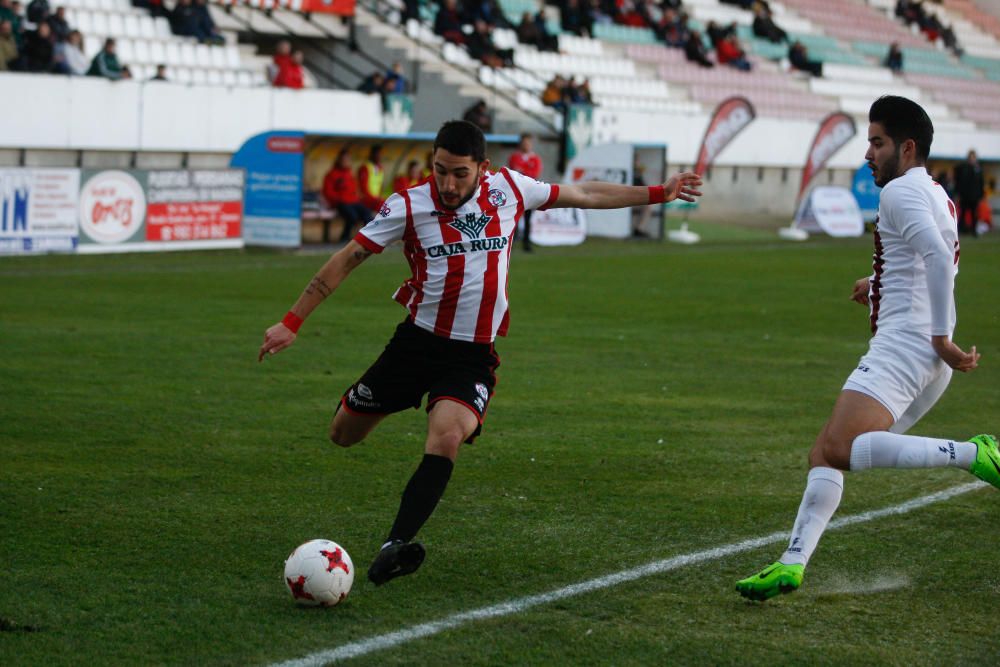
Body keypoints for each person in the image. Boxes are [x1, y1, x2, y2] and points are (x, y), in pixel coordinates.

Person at [258, 120, 703, 586]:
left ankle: (395, 545)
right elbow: (348, 257)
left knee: (446, 437)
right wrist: (292, 322)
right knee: (343, 434)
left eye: (460, 174)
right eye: (440, 171)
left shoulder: (509, 188)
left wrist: (658, 192)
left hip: (471, 355)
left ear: (482, 169)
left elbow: (585, 194)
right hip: (415, 346)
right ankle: (363, 402)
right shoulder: (409, 205)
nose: (448, 184)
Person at [736, 95, 996, 602]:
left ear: (907, 147)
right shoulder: (933, 192)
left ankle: (971, 453)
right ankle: (791, 563)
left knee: (838, 448)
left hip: (907, 348)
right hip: (920, 353)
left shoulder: (898, 193)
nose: (867, 153)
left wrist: (941, 339)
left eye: (877, 142)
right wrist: (876, 283)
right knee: (827, 453)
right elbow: (928, 262)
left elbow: (939, 259)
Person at [321, 149, 373, 243]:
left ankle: (368, 238)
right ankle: (344, 238)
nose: (347, 161)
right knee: (352, 216)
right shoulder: (332, 174)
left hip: (353, 201)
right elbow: (328, 192)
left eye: (348, 159)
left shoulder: (349, 173)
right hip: (341, 203)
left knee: (367, 213)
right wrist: (338, 199)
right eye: (344, 159)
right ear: (339, 160)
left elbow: (353, 190)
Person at [507, 133, 543, 251]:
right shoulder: (514, 157)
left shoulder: (535, 158)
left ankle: (526, 243)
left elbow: (535, 173)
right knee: (512, 216)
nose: (526, 145)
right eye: (524, 143)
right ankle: (510, 241)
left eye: (528, 143)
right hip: (515, 191)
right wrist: (525, 172)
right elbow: (513, 172)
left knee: (528, 218)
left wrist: (522, 171)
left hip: (529, 192)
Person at [953, 149, 983, 236]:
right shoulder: (964, 168)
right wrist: (959, 193)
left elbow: (981, 182)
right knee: (963, 213)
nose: (972, 159)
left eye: (973, 157)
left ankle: (974, 231)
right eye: (971, 157)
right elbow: (959, 182)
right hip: (965, 196)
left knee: (974, 214)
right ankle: (961, 230)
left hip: (975, 196)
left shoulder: (978, 169)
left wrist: (980, 195)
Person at [357, 144, 385, 213]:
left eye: (380, 154)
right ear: (372, 154)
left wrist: (379, 197)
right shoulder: (365, 168)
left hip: (376, 199)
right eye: (377, 154)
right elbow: (363, 188)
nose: (379, 156)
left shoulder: (380, 168)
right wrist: (374, 199)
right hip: (367, 199)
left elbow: (380, 185)